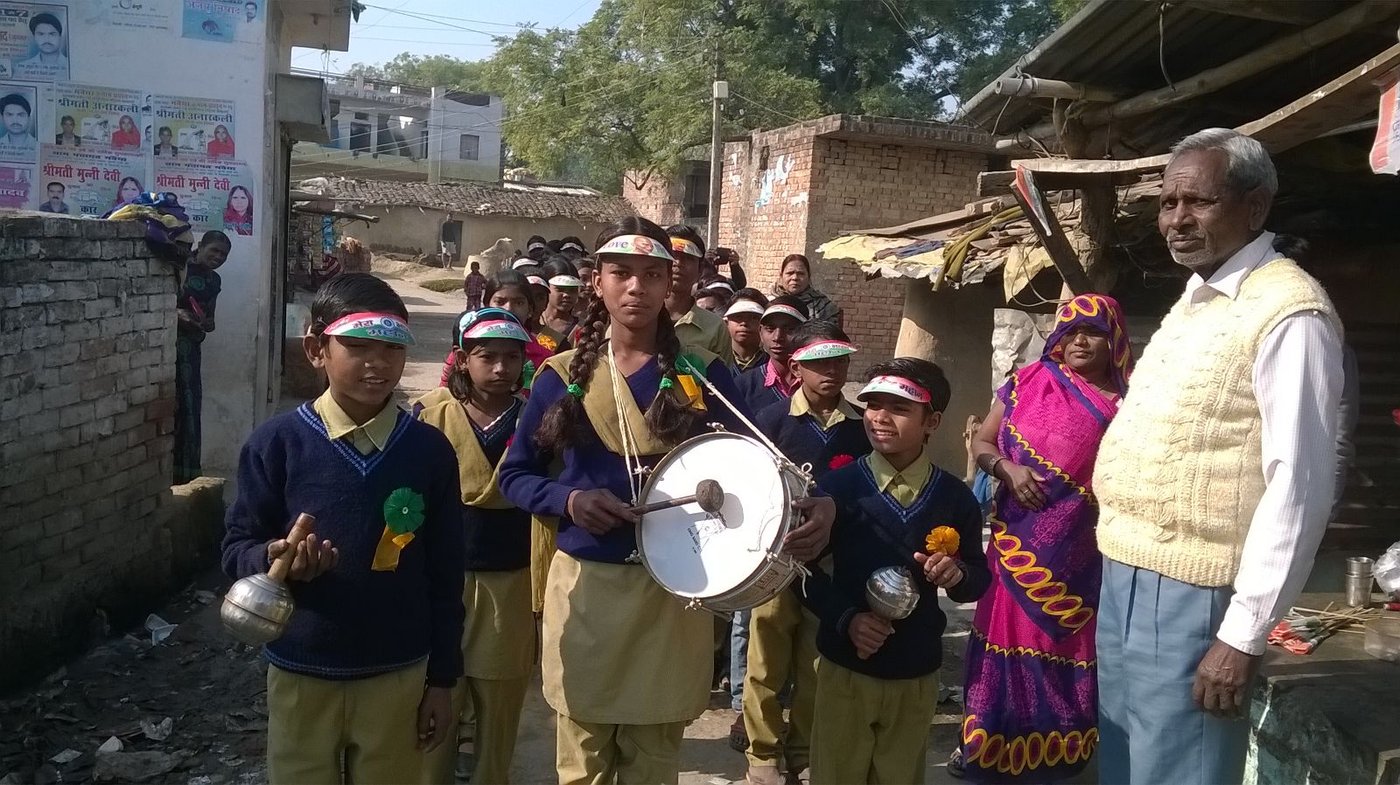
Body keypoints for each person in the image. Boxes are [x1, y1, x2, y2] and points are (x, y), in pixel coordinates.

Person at [499, 217, 836, 785]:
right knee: (582, 753)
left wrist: (821, 499)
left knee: (654, 757)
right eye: (621, 274)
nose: (637, 287)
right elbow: (516, 475)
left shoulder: (703, 377)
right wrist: (569, 500)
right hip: (589, 585)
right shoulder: (560, 377)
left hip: (675, 589)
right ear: (598, 284)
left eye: (652, 275)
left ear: (668, 284)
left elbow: (764, 457)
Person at [1092, 129, 1342, 785]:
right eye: (1167, 202)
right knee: (1125, 763)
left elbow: (1300, 484)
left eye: (1196, 201)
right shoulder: (1198, 298)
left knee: (1179, 769)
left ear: (1254, 207)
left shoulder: (1290, 311)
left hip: (1196, 595)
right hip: (1127, 576)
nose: (1176, 219)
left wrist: (1242, 634)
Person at [221, 273, 465, 784]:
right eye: (356, 346)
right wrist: (275, 558)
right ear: (316, 349)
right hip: (301, 668)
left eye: (392, 347)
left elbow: (446, 576)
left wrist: (442, 679)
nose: (376, 363)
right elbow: (235, 549)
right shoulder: (277, 444)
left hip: (398, 671)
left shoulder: (428, 451)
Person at [953, 293, 1134, 781]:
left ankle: (1058, 759)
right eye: (1070, 330)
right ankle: (985, 744)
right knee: (1001, 639)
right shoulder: (1028, 382)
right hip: (1017, 547)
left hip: (1081, 555)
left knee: (1065, 647)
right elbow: (984, 442)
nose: (1079, 341)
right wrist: (1008, 469)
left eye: (1093, 331)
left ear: (1114, 340)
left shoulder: (1130, 405)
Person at [803, 358, 992, 785]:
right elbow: (803, 573)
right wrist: (847, 619)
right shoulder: (837, 491)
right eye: (872, 405)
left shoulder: (955, 498)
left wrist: (956, 574)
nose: (880, 418)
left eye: (899, 408)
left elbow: (977, 581)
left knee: (900, 775)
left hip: (915, 672)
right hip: (846, 669)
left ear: (933, 421)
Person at [745, 320, 872, 785]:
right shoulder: (767, 420)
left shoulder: (860, 429)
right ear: (796, 367)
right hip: (775, 558)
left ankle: (803, 751)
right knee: (765, 661)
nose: (832, 371)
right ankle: (762, 754)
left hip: (830, 563)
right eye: (820, 362)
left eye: (840, 361)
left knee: (817, 661)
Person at [416, 308, 534, 785]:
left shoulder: (535, 418)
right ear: (464, 360)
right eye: (488, 357)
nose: (501, 368)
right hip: (444, 577)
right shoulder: (432, 414)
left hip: (512, 576)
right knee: (439, 693)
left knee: (501, 700)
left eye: (512, 357)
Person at [173, 231, 230, 483]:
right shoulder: (180, 268)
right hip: (170, 349)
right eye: (214, 250)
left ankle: (188, 473)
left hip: (192, 351)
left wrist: (205, 322)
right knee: (173, 408)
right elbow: (161, 302)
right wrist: (179, 315)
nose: (217, 257)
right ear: (201, 246)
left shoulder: (214, 281)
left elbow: (212, 321)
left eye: (223, 255)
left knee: (191, 407)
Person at [664, 225, 732, 363]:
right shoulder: (638, 318)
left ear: (700, 270)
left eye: (687, 258)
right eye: (672, 256)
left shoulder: (715, 328)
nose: (678, 263)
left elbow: (723, 380)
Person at [734, 296, 809, 413]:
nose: (777, 337)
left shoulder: (817, 383)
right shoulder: (743, 386)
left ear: (806, 332)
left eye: (789, 329)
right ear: (760, 332)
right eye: (770, 328)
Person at [773, 254, 840, 324]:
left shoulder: (823, 306)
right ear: (781, 276)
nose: (795, 278)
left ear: (809, 276)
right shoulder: (771, 303)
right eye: (790, 273)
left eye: (801, 273)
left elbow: (831, 333)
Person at [538, 257, 582, 352]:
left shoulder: (582, 329)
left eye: (572, 290)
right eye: (560, 289)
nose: (567, 295)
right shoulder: (532, 323)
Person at [723, 288, 769, 377]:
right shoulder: (716, 360)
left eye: (754, 318)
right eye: (738, 316)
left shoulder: (772, 362)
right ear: (726, 322)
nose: (744, 323)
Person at [15, 13, 67, 79]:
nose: (47, 39)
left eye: (52, 34)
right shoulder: (21, 68)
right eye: (41, 34)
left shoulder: (71, 66)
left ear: (60, 37)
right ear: (34, 37)